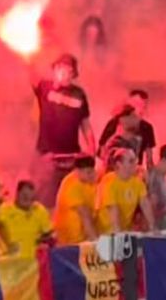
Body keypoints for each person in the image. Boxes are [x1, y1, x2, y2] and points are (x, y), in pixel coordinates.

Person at [33, 53, 94, 205]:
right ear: (54, 69)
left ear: (73, 73)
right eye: (61, 68)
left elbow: (85, 124)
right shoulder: (44, 87)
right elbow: (31, 74)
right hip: (48, 155)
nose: (65, 73)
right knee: (46, 197)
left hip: (72, 156)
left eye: (69, 70)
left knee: (70, 199)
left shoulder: (79, 94)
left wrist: (91, 149)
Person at [97, 141, 155, 233]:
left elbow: (145, 204)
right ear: (119, 164)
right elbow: (113, 210)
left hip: (124, 231)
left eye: (135, 160)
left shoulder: (137, 182)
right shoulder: (108, 182)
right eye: (131, 161)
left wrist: (153, 227)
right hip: (106, 234)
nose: (136, 164)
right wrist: (119, 234)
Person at [98, 89, 157, 167]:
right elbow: (102, 150)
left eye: (143, 105)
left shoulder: (147, 128)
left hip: (134, 171)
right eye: (137, 104)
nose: (140, 109)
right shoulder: (114, 122)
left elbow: (149, 158)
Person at [0, 181, 53, 258]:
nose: (27, 200)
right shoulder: (3, 210)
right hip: (7, 262)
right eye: (24, 195)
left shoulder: (39, 210)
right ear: (17, 194)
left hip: (31, 263)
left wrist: (39, 241)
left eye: (31, 197)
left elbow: (49, 236)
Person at [53, 154, 99, 245]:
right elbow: (85, 216)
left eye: (93, 171)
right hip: (70, 243)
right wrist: (97, 244)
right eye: (88, 172)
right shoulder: (71, 185)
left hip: (85, 239)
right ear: (77, 171)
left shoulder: (89, 182)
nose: (92, 174)